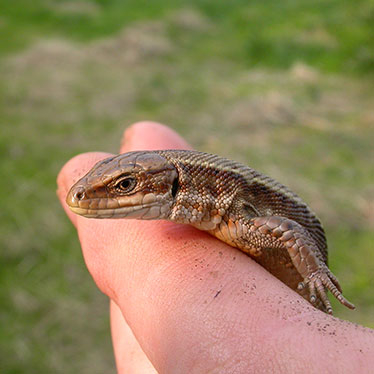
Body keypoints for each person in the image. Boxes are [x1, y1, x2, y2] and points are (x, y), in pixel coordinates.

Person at [57, 121, 374, 373]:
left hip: (304, 292)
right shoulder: (210, 218)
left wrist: (317, 275)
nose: (82, 197)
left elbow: (290, 232)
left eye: (126, 186)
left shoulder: (239, 217)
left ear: (174, 184)